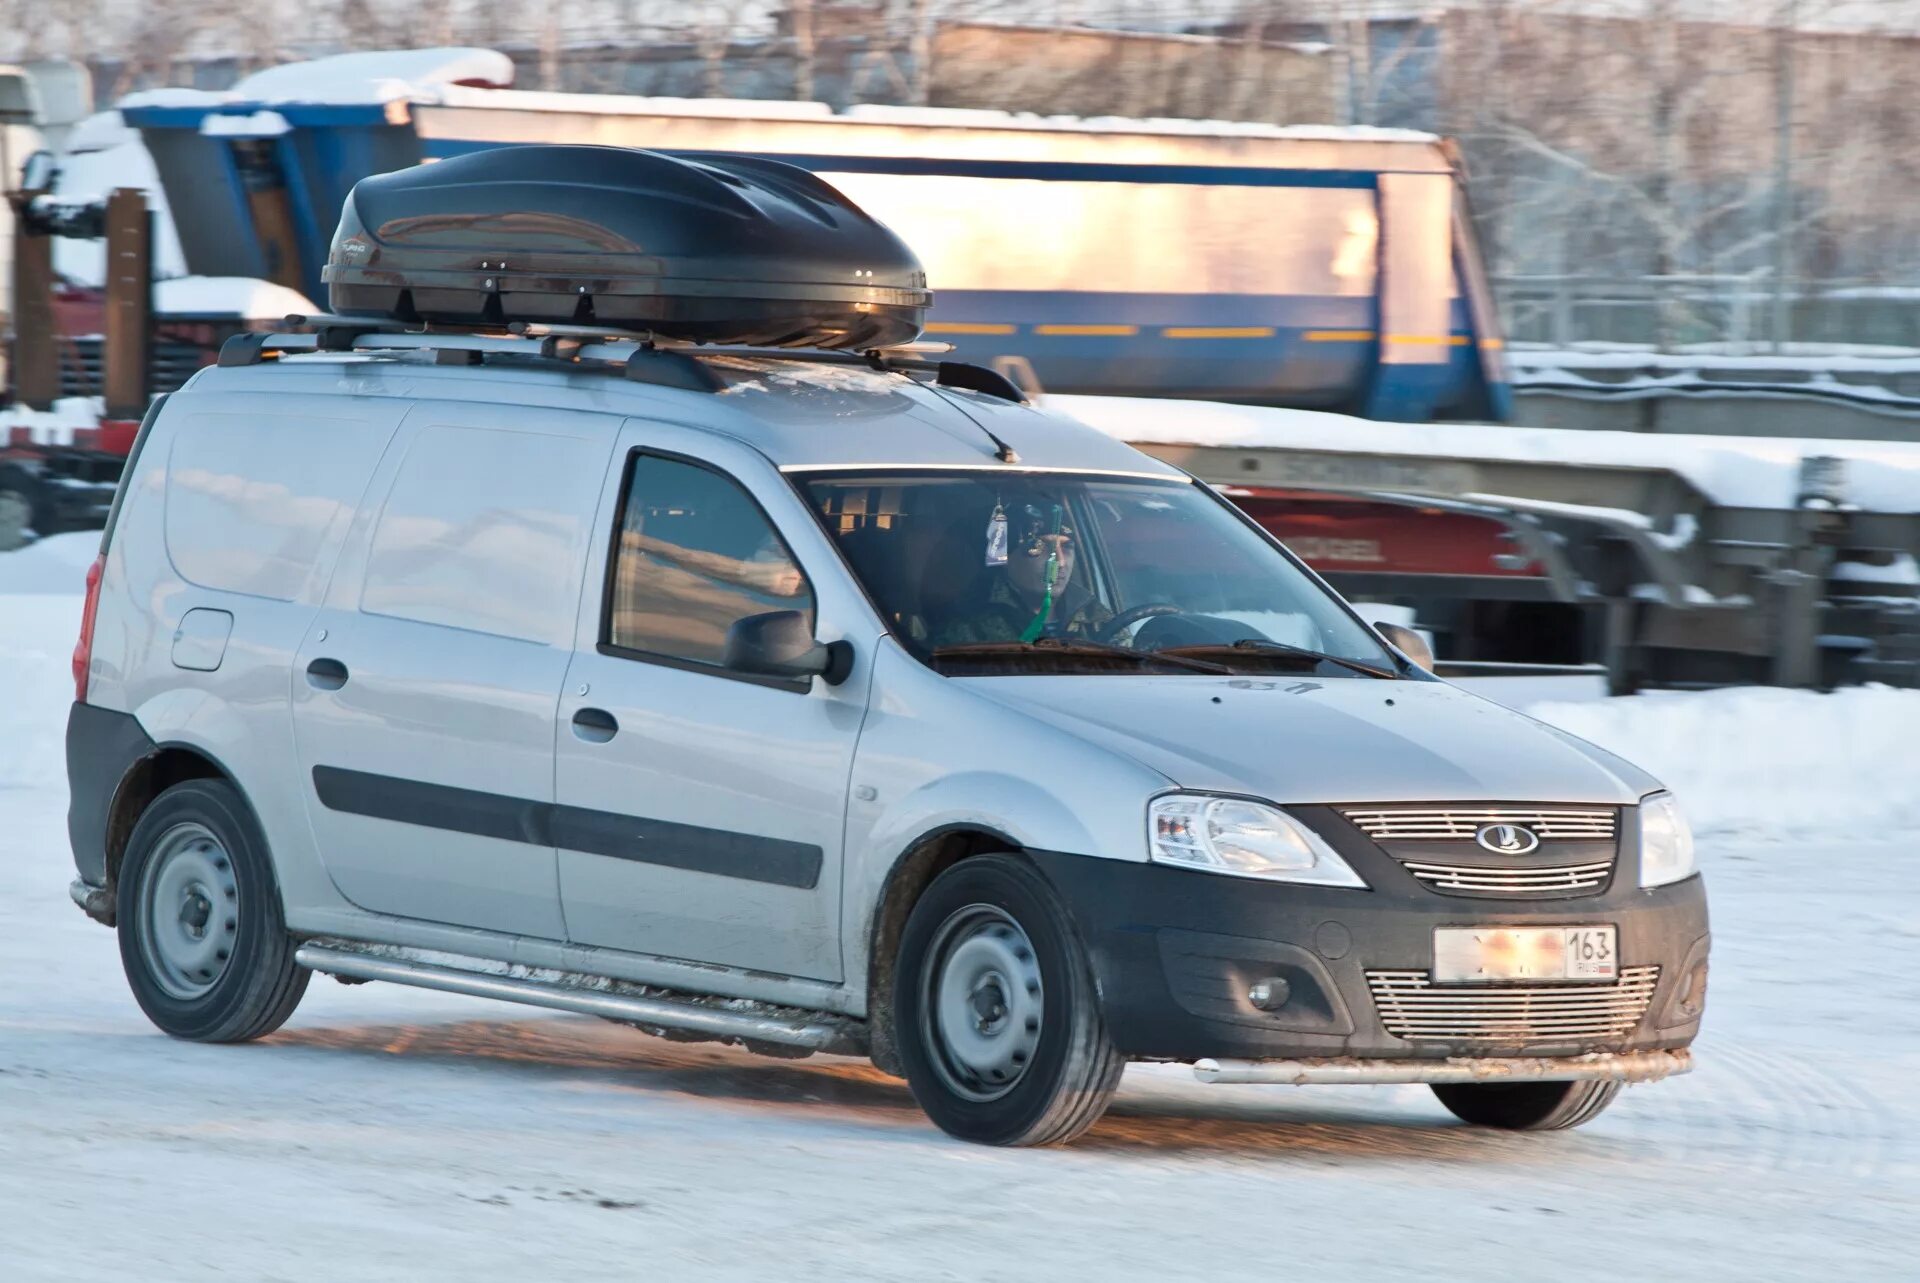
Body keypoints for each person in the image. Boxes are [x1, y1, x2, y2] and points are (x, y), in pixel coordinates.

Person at [927, 501, 1111, 647]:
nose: (1060, 561)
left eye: (1067, 547)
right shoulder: (968, 626)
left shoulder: (1098, 617)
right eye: (1040, 547)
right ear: (1005, 556)